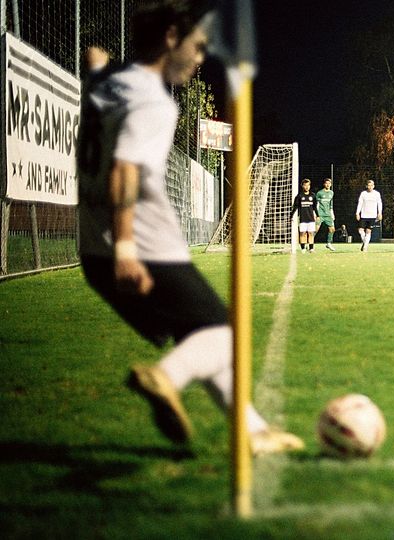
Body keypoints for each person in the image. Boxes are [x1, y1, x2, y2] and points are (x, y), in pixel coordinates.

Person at [76, 1, 302, 455]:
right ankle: (166, 378)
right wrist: (126, 248)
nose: (201, 59)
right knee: (227, 335)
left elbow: (93, 58)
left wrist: (101, 62)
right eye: (197, 47)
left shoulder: (107, 85)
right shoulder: (153, 102)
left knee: (202, 336)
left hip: (92, 255)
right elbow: (124, 171)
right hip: (142, 249)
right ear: (171, 39)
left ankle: (253, 433)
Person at [290, 178, 318, 253]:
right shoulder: (299, 196)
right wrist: (291, 215)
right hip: (302, 218)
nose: (307, 187)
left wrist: (317, 215)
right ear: (302, 186)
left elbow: (315, 207)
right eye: (305, 185)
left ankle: (311, 248)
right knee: (303, 233)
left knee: (311, 233)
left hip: (311, 218)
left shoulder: (313, 195)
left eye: (308, 185)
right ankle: (303, 249)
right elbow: (295, 206)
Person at [355, 179, 382, 252]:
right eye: (369, 185)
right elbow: (360, 203)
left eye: (371, 185)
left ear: (374, 186)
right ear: (366, 186)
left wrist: (380, 213)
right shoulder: (363, 193)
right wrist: (357, 213)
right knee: (360, 230)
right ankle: (365, 242)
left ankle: (365, 247)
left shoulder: (377, 194)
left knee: (368, 231)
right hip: (364, 215)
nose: (370, 187)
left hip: (372, 215)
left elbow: (379, 203)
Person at [315, 177, 336, 251]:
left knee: (332, 229)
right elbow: (316, 204)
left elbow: (330, 204)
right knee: (316, 229)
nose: (328, 185)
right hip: (320, 214)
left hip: (328, 214)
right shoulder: (320, 193)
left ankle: (329, 243)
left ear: (330, 184)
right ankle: (309, 244)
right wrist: (316, 214)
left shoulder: (331, 193)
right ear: (324, 184)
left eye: (329, 183)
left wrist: (332, 213)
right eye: (326, 183)